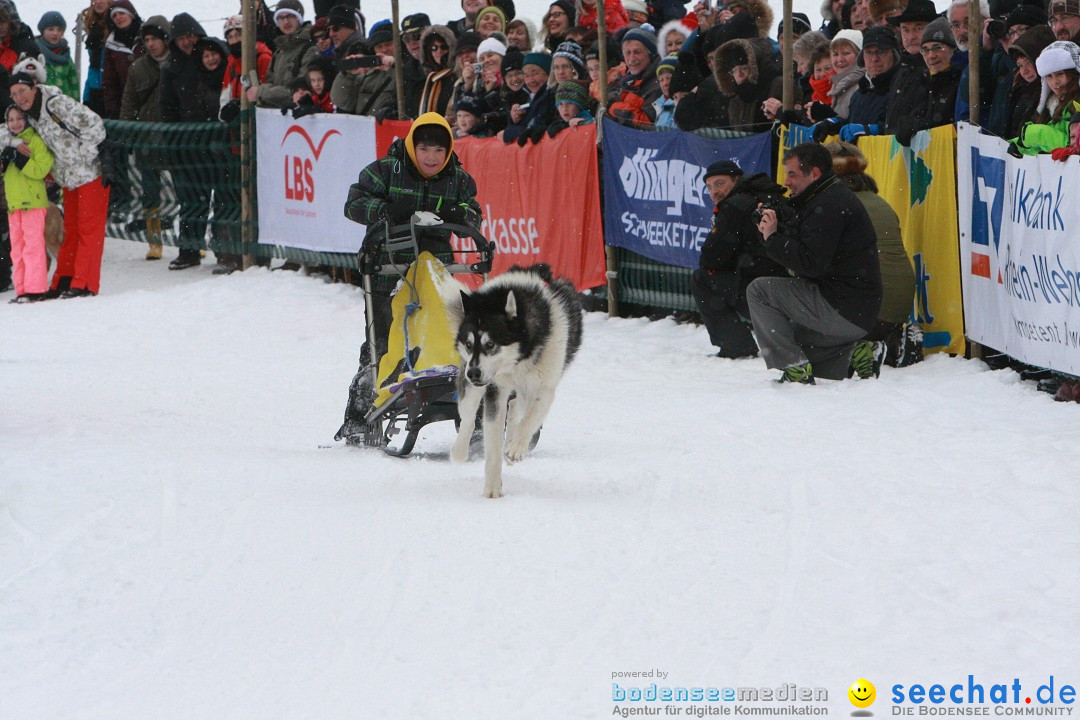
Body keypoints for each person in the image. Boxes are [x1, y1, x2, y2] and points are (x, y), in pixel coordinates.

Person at [335, 112, 482, 444]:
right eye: (425, 149)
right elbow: (354, 204)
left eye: (439, 152)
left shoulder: (458, 179)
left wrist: (459, 215)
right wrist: (387, 211)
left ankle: (465, 402)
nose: (431, 158)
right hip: (389, 268)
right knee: (383, 343)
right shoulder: (385, 170)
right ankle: (359, 417)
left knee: (450, 332)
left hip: (435, 270)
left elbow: (474, 212)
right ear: (413, 146)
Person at [748, 142, 882, 384]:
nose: (787, 182)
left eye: (792, 174)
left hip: (843, 307)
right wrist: (774, 228)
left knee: (759, 291)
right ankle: (855, 353)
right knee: (790, 337)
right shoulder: (827, 197)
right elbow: (811, 248)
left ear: (815, 173)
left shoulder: (828, 205)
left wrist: (774, 237)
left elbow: (811, 263)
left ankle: (794, 366)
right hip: (857, 311)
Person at [3, 72, 110, 298]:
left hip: (90, 175)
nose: (19, 97)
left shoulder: (55, 103)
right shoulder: (28, 116)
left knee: (89, 231)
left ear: (34, 86)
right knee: (70, 230)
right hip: (68, 180)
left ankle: (85, 284)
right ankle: (64, 279)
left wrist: (84, 158)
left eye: (22, 90)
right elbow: (7, 130)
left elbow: (94, 124)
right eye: (14, 94)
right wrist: (12, 143)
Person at [825, 141, 921, 372]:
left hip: (865, 306)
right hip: (900, 301)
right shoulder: (881, 202)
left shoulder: (833, 204)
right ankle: (892, 339)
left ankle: (860, 347)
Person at [690, 160, 786, 359]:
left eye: (719, 184)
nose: (714, 192)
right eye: (709, 187)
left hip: (763, 292)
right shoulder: (767, 196)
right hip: (792, 287)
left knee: (701, 278)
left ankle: (736, 346)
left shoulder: (736, 205)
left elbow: (711, 256)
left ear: (736, 180)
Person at [159, 13, 219, 271]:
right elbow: (167, 109)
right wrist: (173, 144)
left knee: (223, 199)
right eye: (182, 37)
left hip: (214, 141)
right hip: (185, 143)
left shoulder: (210, 57)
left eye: (191, 36)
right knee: (190, 199)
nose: (188, 41)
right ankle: (189, 250)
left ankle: (226, 250)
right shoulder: (171, 67)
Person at [120, 15, 170, 261]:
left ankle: (192, 238)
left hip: (176, 137)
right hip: (147, 138)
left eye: (155, 39)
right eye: (147, 39)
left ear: (165, 38)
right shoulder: (137, 68)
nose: (151, 44)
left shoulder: (181, 62)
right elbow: (128, 105)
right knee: (150, 191)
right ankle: (154, 240)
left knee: (189, 189)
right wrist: (129, 134)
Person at [2, 104, 52, 303]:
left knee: (33, 245)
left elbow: (40, 170)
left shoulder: (36, 142)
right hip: (14, 204)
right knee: (17, 248)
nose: (15, 124)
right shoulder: (7, 143)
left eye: (19, 119)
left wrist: (20, 160)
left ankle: (36, 288)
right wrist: (7, 158)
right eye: (11, 120)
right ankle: (21, 288)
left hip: (32, 202)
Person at [886, 18, 962, 146]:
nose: (931, 56)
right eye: (925, 50)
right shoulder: (921, 82)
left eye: (938, 48)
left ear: (952, 49)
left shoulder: (960, 81)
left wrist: (918, 126)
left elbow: (956, 125)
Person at [1009, 40, 1080, 155]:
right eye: (1049, 76)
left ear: (1074, 72)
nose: (1055, 82)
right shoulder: (1049, 105)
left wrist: (1035, 134)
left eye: (1060, 74)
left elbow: (1071, 144)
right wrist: (1019, 145)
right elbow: (1043, 148)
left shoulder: (1077, 104)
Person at [248, 0, 317, 109]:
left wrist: (261, 92)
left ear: (298, 19)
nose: (285, 22)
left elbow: (301, 92)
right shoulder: (279, 52)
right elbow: (270, 82)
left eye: (290, 16)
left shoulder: (309, 49)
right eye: (281, 18)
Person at [502, 52, 557, 143]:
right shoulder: (532, 99)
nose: (530, 80)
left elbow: (534, 130)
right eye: (526, 75)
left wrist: (508, 132)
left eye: (535, 73)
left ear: (548, 74)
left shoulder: (550, 97)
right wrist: (514, 120)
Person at [102, 0, 143, 119]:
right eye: (114, 15)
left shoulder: (147, 36)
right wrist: (112, 110)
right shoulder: (111, 45)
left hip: (150, 102)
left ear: (131, 14)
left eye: (121, 13)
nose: (118, 17)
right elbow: (109, 81)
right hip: (125, 104)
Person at [35, 11, 79, 100]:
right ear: (43, 30)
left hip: (65, 106)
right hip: (42, 105)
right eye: (51, 29)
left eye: (59, 30)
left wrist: (76, 104)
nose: (55, 33)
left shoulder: (65, 54)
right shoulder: (35, 53)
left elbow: (74, 84)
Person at [79, 0, 110, 115]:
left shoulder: (117, 24)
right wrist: (87, 97)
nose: (98, 2)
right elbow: (93, 66)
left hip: (112, 89)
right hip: (95, 88)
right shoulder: (93, 26)